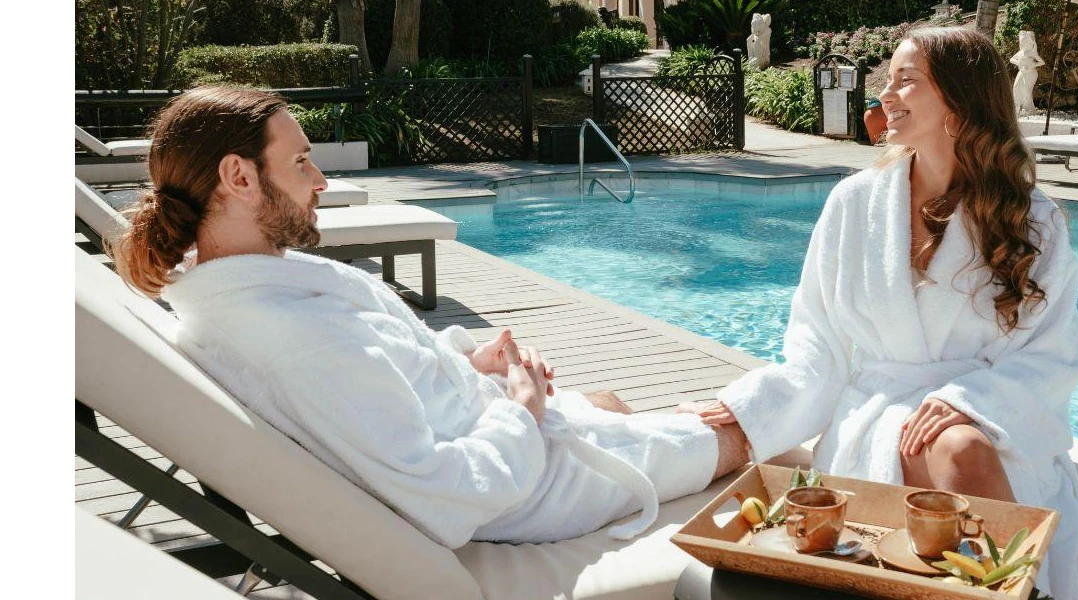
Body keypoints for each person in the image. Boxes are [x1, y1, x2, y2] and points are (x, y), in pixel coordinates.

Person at [111, 85, 750, 548]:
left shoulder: (248, 294)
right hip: (528, 491)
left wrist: (471, 362)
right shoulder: (294, 337)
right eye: (301, 161)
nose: (320, 180)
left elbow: (381, 379)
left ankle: (662, 429)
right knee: (743, 435)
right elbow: (449, 496)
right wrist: (522, 411)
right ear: (238, 176)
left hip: (490, 432)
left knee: (610, 401)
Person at [678, 27, 1078, 599]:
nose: (885, 96)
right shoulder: (855, 204)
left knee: (961, 443)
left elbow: (1054, 354)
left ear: (960, 100)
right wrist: (751, 405)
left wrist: (968, 401)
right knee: (954, 447)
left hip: (995, 418)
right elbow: (816, 337)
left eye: (906, 81)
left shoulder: (1031, 220)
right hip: (879, 413)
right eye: (887, 81)